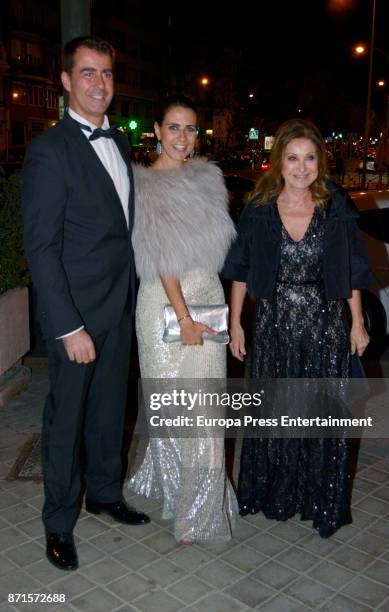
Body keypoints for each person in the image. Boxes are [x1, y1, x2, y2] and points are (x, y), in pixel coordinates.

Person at [22, 36, 149, 571]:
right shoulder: (50, 151)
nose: (100, 84)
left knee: (108, 412)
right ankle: (57, 522)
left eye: (107, 74)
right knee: (65, 419)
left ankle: (103, 493)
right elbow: (42, 248)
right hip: (76, 314)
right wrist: (68, 326)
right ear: (67, 81)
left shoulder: (119, 142)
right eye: (88, 73)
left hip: (118, 306)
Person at [223, 118, 372, 538]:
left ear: (320, 162)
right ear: (279, 162)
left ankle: (317, 497)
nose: (302, 167)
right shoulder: (259, 207)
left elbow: (349, 270)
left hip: (324, 323)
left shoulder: (334, 206)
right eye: (293, 158)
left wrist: (356, 323)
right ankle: (276, 493)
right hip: (273, 325)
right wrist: (236, 323)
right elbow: (241, 270)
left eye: (309, 158)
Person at [126, 94, 238, 543]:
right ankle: (177, 496)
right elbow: (163, 257)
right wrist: (184, 317)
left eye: (190, 128)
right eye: (173, 127)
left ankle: (201, 508)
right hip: (164, 306)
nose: (182, 137)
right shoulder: (145, 184)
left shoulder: (208, 179)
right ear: (156, 130)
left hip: (206, 296)